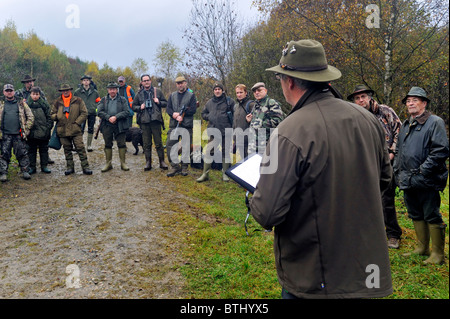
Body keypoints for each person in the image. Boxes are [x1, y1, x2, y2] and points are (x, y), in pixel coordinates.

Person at [250, 39, 393, 299]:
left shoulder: (289, 131)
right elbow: (384, 180)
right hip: (365, 270)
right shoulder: (369, 120)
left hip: (315, 276)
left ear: (289, 81)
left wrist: (255, 196)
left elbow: (267, 212)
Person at [394, 87, 449, 265]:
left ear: (424, 103)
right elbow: (399, 151)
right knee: (415, 214)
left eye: (414, 100)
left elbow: (440, 151)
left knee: (431, 214)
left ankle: (438, 255)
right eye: (408, 101)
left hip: (426, 180)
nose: (410, 103)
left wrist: (422, 171)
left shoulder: (435, 122)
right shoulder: (405, 124)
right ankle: (422, 248)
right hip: (407, 179)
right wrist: (397, 171)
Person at [348, 84, 403, 249]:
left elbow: (398, 131)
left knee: (387, 199)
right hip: (365, 162)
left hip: (386, 160)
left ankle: (393, 234)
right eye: (357, 98)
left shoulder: (385, 111)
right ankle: (372, 233)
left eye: (363, 96)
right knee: (366, 199)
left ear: (369, 97)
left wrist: (392, 152)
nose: (360, 100)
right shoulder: (355, 116)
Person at [51, 83, 93, 176]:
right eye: (63, 90)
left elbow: (84, 113)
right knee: (67, 149)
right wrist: (57, 116)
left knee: (80, 148)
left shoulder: (78, 100)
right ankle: (70, 167)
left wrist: (77, 122)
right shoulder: (57, 102)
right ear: (61, 91)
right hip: (62, 130)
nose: (65, 92)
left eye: (67, 90)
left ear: (70, 90)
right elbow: (52, 114)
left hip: (75, 130)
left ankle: (85, 167)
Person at [197, 83, 235, 182]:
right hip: (213, 131)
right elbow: (203, 113)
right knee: (209, 151)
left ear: (222, 90)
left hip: (226, 131)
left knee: (225, 152)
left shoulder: (229, 101)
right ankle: (205, 174)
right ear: (213, 91)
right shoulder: (209, 102)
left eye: (219, 89)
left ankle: (225, 174)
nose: (217, 91)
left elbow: (235, 114)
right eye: (215, 89)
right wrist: (209, 117)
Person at [132, 74, 168, 171]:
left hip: (155, 121)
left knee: (158, 143)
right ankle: (148, 162)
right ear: (142, 82)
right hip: (144, 122)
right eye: (144, 81)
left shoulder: (158, 92)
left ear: (150, 81)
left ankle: (162, 162)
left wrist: (158, 102)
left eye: (148, 80)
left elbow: (166, 103)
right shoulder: (139, 94)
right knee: (146, 144)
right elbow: (133, 106)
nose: (146, 82)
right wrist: (140, 107)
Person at [0, 84, 34, 182]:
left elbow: (30, 116)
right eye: (7, 90)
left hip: (18, 134)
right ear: (4, 92)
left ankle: (25, 171)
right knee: (4, 154)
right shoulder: (1, 103)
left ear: (14, 91)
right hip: (5, 135)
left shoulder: (21, 103)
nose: (9, 92)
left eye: (11, 90)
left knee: (22, 153)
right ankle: (3, 173)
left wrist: (26, 129)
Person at [166, 76, 198, 177]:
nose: (180, 85)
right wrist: (174, 115)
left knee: (186, 146)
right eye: (178, 83)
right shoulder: (172, 95)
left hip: (186, 125)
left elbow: (193, 109)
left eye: (182, 82)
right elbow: (168, 109)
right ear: (176, 85)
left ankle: (184, 167)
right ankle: (175, 166)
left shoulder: (191, 95)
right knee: (170, 145)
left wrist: (183, 114)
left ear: (185, 83)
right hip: (174, 125)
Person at [97, 82, 131, 172]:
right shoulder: (103, 100)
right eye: (110, 89)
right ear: (108, 90)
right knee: (108, 144)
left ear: (117, 90)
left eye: (114, 89)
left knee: (121, 144)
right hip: (107, 125)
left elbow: (127, 112)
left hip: (120, 125)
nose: (112, 91)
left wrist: (116, 117)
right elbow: (99, 111)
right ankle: (108, 164)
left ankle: (123, 163)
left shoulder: (122, 100)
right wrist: (108, 118)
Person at [246, 82, 285, 155]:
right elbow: (256, 122)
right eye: (254, 91)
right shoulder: (256, 105)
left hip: (266, 146)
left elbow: (278, 121)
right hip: (253, 146)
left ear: (265, 91)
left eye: (259, 90)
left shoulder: (271, 103)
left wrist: (261, 124)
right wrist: (250, 121)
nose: (256, 93)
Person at [26, 87, 53, 175]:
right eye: (33, 94)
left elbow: (50, 117)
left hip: (43, 132)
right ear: (31, 94)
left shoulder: (45, 104)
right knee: (31, 150)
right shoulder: (26, 104)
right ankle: (32, 167)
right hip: (31, 132)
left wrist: (47, 128)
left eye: (37, 94)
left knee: (44, 150)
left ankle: (44, 166)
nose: (35, 96)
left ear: (39, 95)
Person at [74, 75, 101, 152]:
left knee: (90, 129)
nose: (86, 82)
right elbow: (74, 103)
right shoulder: (77, 92)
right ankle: (79, 145)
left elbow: (99, 102)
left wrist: (94, 107)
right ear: (82, 82)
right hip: (81, 113)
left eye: (87, 80)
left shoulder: (95, 92)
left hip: (92, 113)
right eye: (84, 80)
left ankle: (89, 145)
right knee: (80, 129)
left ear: (90, 82)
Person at [233, 84, 255, 160]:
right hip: (238, 140)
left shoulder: (251, 105)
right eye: (237, 93)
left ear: (245, 93)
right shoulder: (236, 106)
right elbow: (235, 123)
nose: (239, 95)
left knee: (250, 162)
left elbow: (257, 122)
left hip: (248, 141)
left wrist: (250, 121)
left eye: (241, 92)